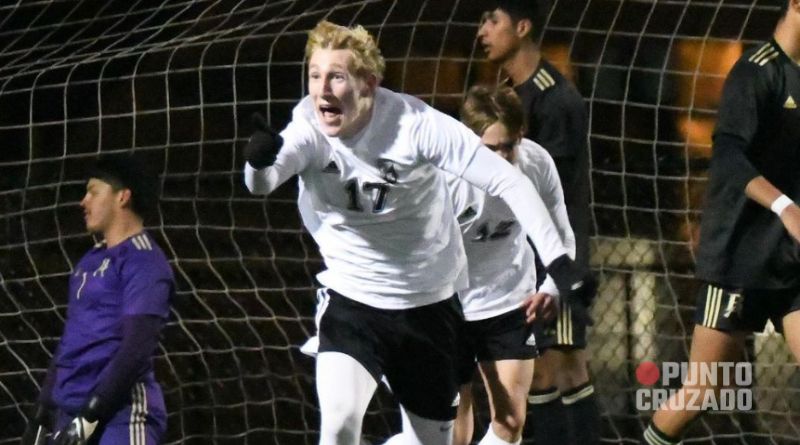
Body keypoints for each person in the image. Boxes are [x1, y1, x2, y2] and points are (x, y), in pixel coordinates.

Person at [243, 20, 590, 445]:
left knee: (447, 439)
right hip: (353, 301)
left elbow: (508, 181)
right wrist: (259, 161)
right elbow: (263, 180)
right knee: (337, 426)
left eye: (337, 76)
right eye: (315, 76)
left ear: (369, 82)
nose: (322, 89)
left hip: (429, 306)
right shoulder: (308, 126)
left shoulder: (415, 124)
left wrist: (557, 264)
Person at [642, 1, 800, 444]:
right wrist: (785, 207)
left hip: (791, 262)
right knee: (701, 392)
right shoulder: (755, 72)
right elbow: (728, 157)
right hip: (738, 260)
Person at [477, 1, 599, 444]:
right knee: (538, 367)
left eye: (492, 21)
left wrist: (556, 269)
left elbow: (558, 198)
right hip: (519, 259)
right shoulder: (509, 96)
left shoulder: (554, 97)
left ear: (522, 27)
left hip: (555, 258)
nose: (482, 31)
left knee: (565, 363)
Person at [448, 85, 573, 445]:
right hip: (448, 303)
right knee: (453, 430)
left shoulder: (536, 164)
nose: (502, 158)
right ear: (468, 141)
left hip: (509, 300)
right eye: (491, 149)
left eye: (509, 146)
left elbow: (561, 235)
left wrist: (551, 287)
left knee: (511, 422)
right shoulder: (444, 175)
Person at [21, 153, 174, 445]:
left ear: (122, 198)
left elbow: (136, 347)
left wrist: (94, 412)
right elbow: (70, 342)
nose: (83, 201)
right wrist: (42, 410)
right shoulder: (88, 263)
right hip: (69, 413)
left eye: (93, 192)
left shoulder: (143, 261)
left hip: (120, 414)